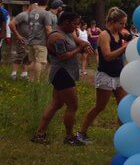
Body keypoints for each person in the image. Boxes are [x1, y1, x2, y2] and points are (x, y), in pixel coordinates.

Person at [31, 11, 94, 145]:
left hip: (65, 73)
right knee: (72, 106)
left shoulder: (68, 32)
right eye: (75, 24)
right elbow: (63, 56)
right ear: (66, 23)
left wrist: (85, 44)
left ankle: (39, 134)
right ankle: (70, 137)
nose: (77, 27)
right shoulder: (57, 37)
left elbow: (79, 41)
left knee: (56, 104)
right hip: (62, 73)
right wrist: (79, 49)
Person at [76, 7, 131, 143]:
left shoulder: (121, 33)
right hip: (105, 76)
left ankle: (122, 136)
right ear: (113, 22)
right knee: (100, 107)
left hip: (119, 75)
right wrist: (124, 47)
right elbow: (107, 56)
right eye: (121, 23)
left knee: (123, 106)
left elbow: (129, 36)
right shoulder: (104, 35)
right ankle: (81, 133)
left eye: (125, 24)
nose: (124, 26)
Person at [26, 0, 53, 82]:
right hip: (41, 41)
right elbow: (48, 28)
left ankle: (31, 79)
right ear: (47, 3)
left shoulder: (31, 12)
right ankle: (36, 81)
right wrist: (52, 38)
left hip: (31, 40)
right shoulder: (46, 13)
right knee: (40, 62)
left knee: (33, 61)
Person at [9, 2, 32, 79]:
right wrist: (18, 36)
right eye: (35, 7)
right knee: (20, 55)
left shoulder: (35, 16)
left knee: (28, 57)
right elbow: (11, 24)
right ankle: (13, 73)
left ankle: (24, 74)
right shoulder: (23, 15)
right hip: (22, 39)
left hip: (30, 40)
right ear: (30, 7)